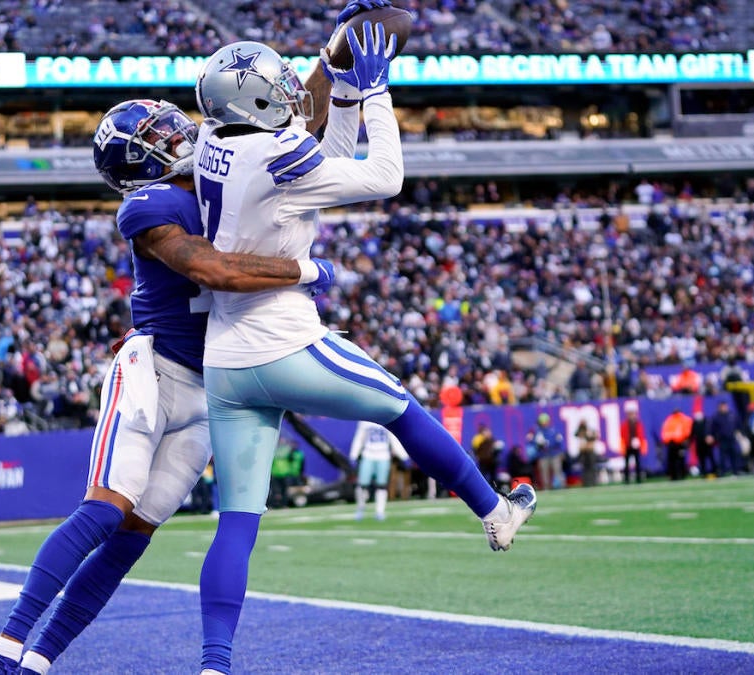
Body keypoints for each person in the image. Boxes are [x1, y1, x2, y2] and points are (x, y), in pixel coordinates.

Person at [191, 17, 536, 675]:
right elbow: (383, 175)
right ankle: (495, 513)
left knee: (235, 522)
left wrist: (341, 93)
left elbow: (329, 159)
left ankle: (214, 664)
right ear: (253, 102)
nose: (291, 93)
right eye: (277, 87)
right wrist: (374, 90)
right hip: (283, 340)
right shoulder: (276, 156)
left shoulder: (216, 137)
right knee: (401, 407)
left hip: (225, 359)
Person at [0, 97, 334, 675]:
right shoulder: (152, 203)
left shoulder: (222, 179)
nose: (175, 130)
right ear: (137, 160)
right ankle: (4, 647)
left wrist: (331, 57)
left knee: (133, 537)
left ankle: (38, 660)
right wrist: (311, 271)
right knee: (104, 511)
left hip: (214, 386)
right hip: (154, 372)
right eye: (155, 132)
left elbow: (289, 128)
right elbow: (217, 271)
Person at [349, 420, 408, 520]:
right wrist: (353, 455)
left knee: (381, 486)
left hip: (383, 455)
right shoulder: (365, 420)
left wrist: (403, 456)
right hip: (368, 454)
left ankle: (380, 511)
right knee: (362, 485)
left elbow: (393, 439)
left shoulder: (386, 418)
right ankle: (361, 507)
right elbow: (359, 438)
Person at [527, 413, 565, 490]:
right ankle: (546, 487)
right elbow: (533, 442)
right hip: (543, 454)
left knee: (557, 470)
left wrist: (549, 444)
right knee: (544, 472)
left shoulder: (553, 430)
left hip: (554, 453)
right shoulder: (537, 431)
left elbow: (558, 441)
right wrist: (539, 444)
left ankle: (561, 486)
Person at [269, 436, 305, 509]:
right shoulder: (275, 450)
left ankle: (284, 505)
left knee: (284, 491)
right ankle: (272, 505)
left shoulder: (288, 451)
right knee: (275, 491)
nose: (281, 442)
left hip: (285, 474)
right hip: (275, 473)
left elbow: (294, 461)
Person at [661, 407, 693, 480]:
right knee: (674, 460)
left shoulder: (682, 419)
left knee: (679, 460)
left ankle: (680, 475)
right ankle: (675, 475)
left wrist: (686, 439)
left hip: (680, 442)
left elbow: (688, 430)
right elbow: (665, 432)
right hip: (673, 443)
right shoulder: (670, 420)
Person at [620, 401, 648, 483]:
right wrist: (625, 444)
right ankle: (627, 479)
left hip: (636, 445)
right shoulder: (625, 424)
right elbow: (623, 435)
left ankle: (638, 479)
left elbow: (641, 434)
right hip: (628, 445)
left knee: (638, 463)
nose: (631, 415)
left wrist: (640, 443)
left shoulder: (638, 424)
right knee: (626, 464)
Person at [574, 419, 601, 487]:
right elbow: (575, 434)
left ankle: (593, 482)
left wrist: (589, 435)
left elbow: (595, 436)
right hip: (583, 452)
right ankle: (585, 483)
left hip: (590, 451)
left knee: (591, 467)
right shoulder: (580, 431)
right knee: (585, 468)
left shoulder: (590, 430)